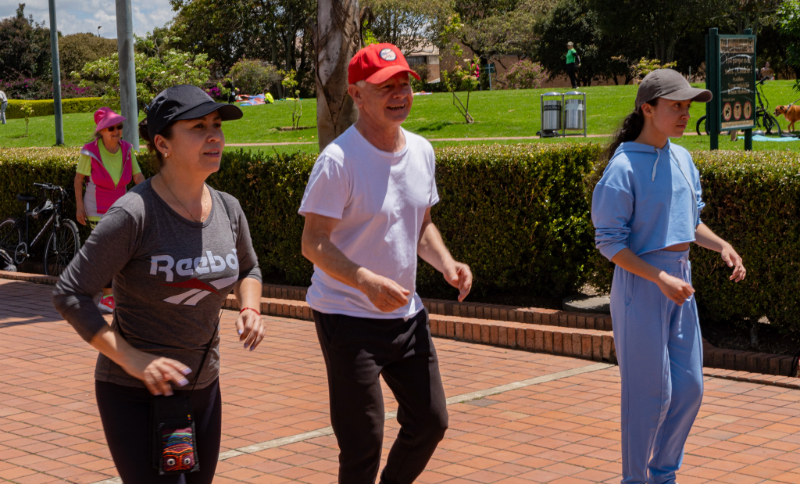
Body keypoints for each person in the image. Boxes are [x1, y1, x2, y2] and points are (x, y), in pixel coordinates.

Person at [53, 85, 265, 484]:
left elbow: (249, 269)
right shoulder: (134, 213)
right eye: (199, 126)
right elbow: (70, 293)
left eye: (217, 125)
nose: (214, 135)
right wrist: (133, 359)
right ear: (163, 144)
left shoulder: (228, 208)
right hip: (133, 393)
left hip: (202, 385)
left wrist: (250, 308)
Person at [299, 43, 473, 484]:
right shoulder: (338, 161)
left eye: (403, 85)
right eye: (384, 87)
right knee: (362, 443)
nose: (399, 95)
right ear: (357, 95)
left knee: (431, 422)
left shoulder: (421, 150)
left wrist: (447, 264)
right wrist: (364, 281)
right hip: (346, 314)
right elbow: (313, 243)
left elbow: (420, 225)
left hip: (405, 314)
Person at [592, 69, 746, 484]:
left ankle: (663, 474)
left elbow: (690, 222)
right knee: (648, 396)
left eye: (688, 105)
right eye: (675, 105)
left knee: (690, 388)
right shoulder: (623, 167)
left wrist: (722, 245)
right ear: (647, 108)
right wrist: (658, 277)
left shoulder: (682, 157)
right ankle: (635, 479)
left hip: (680, 283)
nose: (684, 113)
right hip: (640, 286)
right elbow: (609, 242)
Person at [75, 107, 146, 313]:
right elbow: (79, 179)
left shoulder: (126, 149)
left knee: (124, 250)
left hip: (121, 206)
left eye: (119, 127)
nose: (116, 131)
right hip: (96, 207)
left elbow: (138, 177)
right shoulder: (90, 151)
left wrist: (147, 197)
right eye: (111, 128)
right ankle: (107, 297)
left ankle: (119, 293)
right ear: (101, 132)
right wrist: (80, 206)